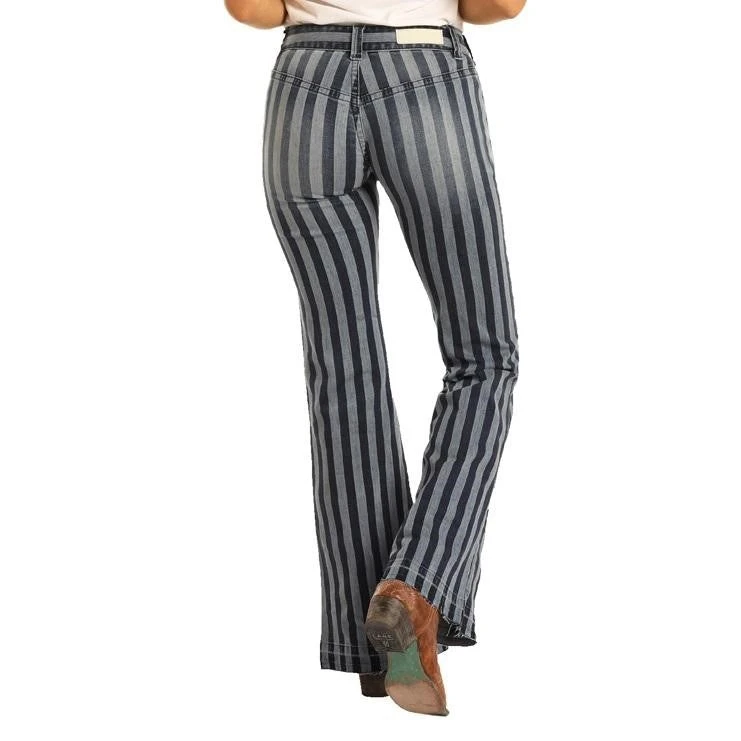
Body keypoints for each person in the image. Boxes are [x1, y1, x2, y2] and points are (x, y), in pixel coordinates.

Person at [225, 0, 526, 716]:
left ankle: (373, 649)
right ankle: (413, 589)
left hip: (305, 87)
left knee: (343, 368)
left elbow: (251, 9)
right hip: (424, 76)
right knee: (483, 356)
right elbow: (499, 3)